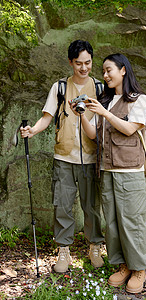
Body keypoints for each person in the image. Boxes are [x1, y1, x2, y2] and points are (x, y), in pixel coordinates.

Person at [70, 53, 146, 294]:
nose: (105, 75)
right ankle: (123, 265)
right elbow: (94, 135)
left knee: (132, 220)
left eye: (109, 70)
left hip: (129, 171)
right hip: (106, 170)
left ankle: (139, 268)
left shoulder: (139, 99)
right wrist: (83, 115)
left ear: (123, 70)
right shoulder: (105, 100)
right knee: (113, 222)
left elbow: (129, 129)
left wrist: (105, 114)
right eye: (104, 72)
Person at [20, 40, 104, 273]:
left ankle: (95, 245)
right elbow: (47, 117)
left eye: (88, 63)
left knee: (92, 206)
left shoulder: (99, 88)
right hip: (64, 157)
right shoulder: (59, 87)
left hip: (91, 158)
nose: (84, 68)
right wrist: (33, 131)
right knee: (63, 206)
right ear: (70, 62)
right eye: (79, 63)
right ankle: (64, 250)